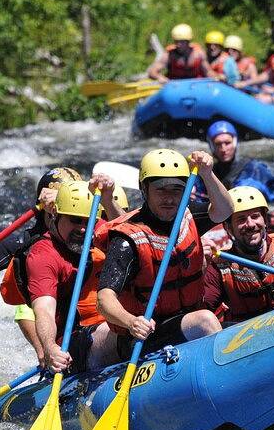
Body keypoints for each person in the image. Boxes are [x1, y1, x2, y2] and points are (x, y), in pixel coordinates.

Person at [0, 168, 126, 361]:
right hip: (58, 321)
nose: (81, 226)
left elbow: (131, 237)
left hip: (105, 316)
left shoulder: (91, 226)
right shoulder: (27, 246)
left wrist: (107, 199)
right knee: (36, 308)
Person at [96, 149, 233, 358]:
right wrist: (131, 322)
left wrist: (207, 173)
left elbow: (224, 210)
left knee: (213, 320)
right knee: (205, 321)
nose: (169, 198)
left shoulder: (187, 216)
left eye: (177, 190)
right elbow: (104, 299)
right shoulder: (127, 239)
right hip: (145, 335)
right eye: (161, 190)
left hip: (186, 319)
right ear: (144, 189)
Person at [17, 180, 121, 373]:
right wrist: (49, 348)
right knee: (123, 333)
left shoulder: (99, 232)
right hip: (73, 342)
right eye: (74, 220)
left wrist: (108, 200)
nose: (83, 229)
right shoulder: (43, 255)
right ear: (55, 214)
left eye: (88, 221)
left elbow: (135, 235)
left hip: (117, 322)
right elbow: (44, 310)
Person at [202, 186, 274, 324]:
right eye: (241, 219)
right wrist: (201, 266)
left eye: (255, 216)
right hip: (250, 340)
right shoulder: (218, 267)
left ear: (265, 221)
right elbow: (203, 311)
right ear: (228, 227)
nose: (250, 224)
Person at [147, 23, 214, 83]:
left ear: (188, 42)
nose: (178, 45)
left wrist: (216, 77)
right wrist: (160, 77)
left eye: (182, 42)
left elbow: (208, 72)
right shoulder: (169, 55)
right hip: (175, 86)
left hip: (195, 85)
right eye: (176, 41)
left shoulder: (199, 54)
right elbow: (152, 71)